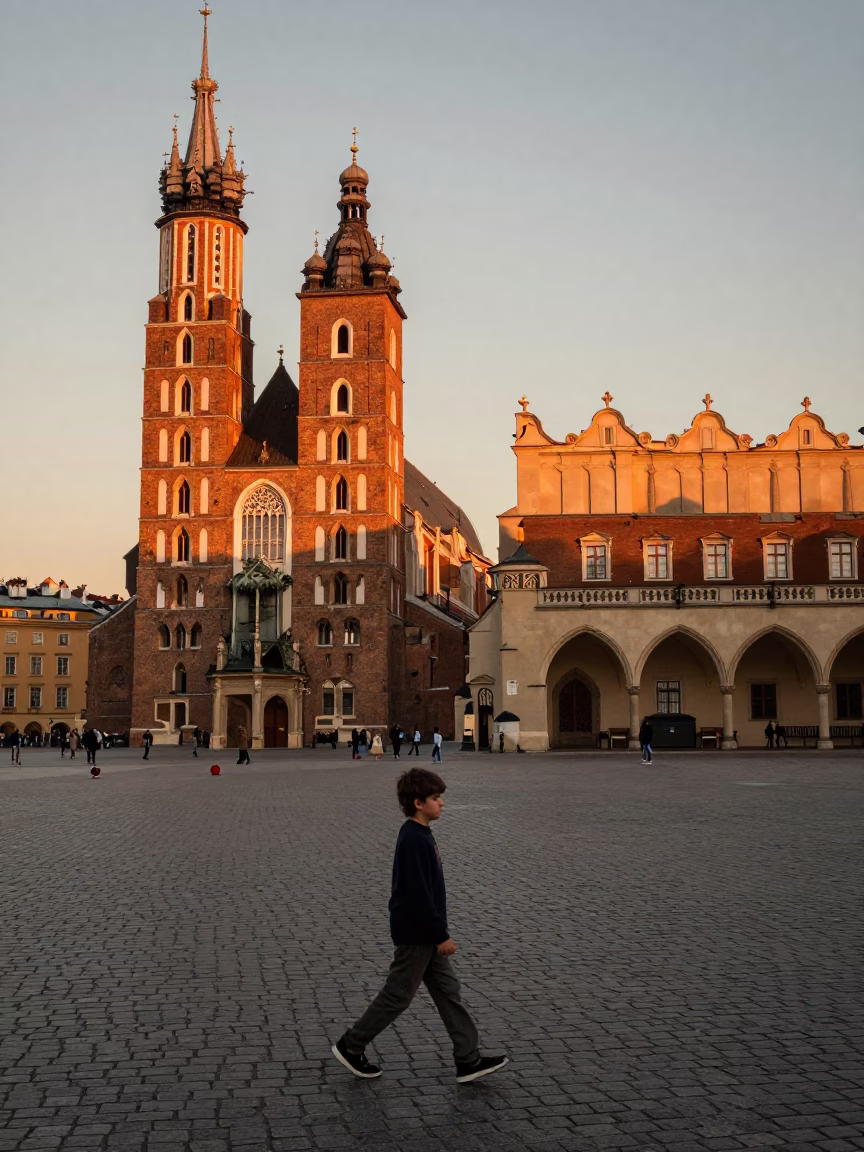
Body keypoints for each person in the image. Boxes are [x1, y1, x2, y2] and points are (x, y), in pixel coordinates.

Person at [331, 767, 508, 1085]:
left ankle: (468, 1060)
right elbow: (417, 894)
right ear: (418, 802)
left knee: (448, 992)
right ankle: (351, 1044)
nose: (442, 803)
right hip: (418, 933)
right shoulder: (413, 839)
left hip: (424, 930)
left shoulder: (420, 834)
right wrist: (441, 934)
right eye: (436, 798)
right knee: (397, 995)